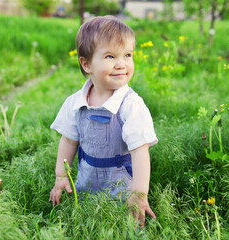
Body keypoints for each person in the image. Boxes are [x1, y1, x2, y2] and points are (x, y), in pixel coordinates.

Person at [48, 15, 158, 226]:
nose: (121, 64)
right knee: (84, 221)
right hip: (87, 178)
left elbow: (140, 151)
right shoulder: (75, 103)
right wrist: (61, 176)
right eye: (110, 57)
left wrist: (140, 194)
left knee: (124, 225)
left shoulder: (131, 105)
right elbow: (68, 141)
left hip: (121, 183)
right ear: (86, 64)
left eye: (127, 55)